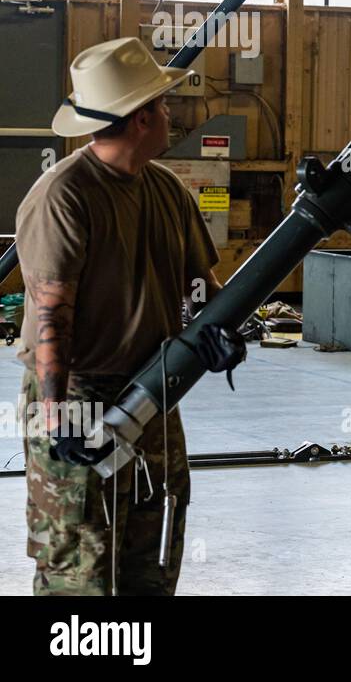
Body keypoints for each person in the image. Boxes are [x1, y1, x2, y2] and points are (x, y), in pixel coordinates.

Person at [14, 36, 221, 595]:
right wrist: (56, 414)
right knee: (81, 557)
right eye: (162, 106)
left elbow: (199, 285)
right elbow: (53, 317)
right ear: (140, 119)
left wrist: (221, 329)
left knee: (152, 547)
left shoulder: (166, 190)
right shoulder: (64, 195)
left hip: (152, 389)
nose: (171, 115)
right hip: (76, 392)